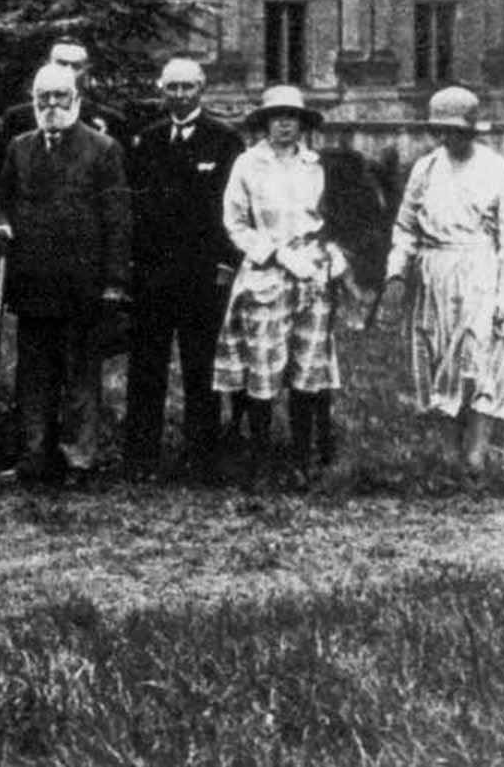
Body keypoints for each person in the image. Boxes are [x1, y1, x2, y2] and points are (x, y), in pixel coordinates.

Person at [0, 63, 132, 487]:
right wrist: (0, 226)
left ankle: (78, 460)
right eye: (43, 98)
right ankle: (35, 455)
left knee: (80, 375)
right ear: (34, 102)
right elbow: (1, 202)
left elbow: (118, 218)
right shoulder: (19, 147)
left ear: (76, 100)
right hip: (32, 281)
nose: (51, 105)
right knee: (34, 374)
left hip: (82, 284)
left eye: (60, 96)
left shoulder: (103, 149)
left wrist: (114, 282)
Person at [383, 85, 504, 471]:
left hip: (480, 270)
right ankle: (449, 450)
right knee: (435, 355)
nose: (450, 138)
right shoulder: (426, 168)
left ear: (472, 130)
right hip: (433, 272)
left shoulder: (497, 168)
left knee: (483, 354)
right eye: (443, 131)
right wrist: (397, 271)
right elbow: (406, 227)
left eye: (458, 131)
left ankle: (476, 451)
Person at [214, 86, 347, 486]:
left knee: (308, 366)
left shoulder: (316, 165)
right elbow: (235, 223)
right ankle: (259, 459)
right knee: (263, 365)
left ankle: (301, 459)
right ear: (265, 123)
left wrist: (331, 253)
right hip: (266, 273)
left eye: (292, 117)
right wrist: (273, 253)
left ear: (302, 124)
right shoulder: (248, 164)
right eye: (277, 117)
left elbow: (329, 220)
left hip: (310, 274)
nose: (285, 124)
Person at [123, 57, 245, 481]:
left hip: (202, 275)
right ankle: (141, 459)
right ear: (162, 90)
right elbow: (136, 206)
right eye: (171, 87)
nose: (179, 95)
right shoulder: (148, 139)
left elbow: (233, 210)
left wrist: (226, 263)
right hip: (153, 275)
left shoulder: (225, 140)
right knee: (146, 368)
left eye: (187, 87)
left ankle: (202, 459)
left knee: (201, 367)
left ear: (201, 90)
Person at [0, 38, 127, 144]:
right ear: (47, 65)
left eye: (76, 66)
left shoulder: (111, 121)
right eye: (62, 64)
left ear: (86, 71)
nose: (69, 71)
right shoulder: (17, 119)